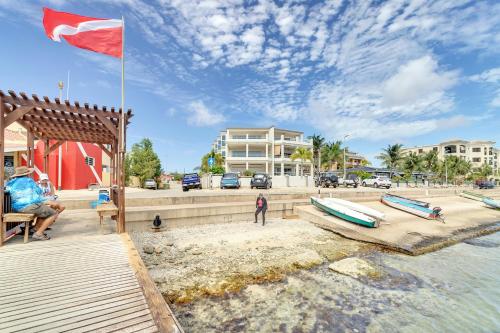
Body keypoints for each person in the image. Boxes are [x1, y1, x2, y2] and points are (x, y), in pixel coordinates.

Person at [6, 166, 65, 241]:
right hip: (29, 206)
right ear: (27, 174)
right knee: (53, 213)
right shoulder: (29, 181)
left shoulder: (11, 183)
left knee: (45, 211)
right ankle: (39, 233)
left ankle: (35, 229)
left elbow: (6, 190)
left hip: (17, 208)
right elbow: (38, 194)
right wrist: (48, 201)